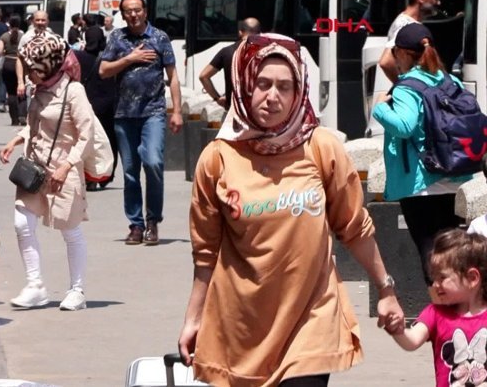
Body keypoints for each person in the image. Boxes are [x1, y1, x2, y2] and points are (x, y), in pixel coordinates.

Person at [178, 33, 404, 386]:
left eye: (285, 87)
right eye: (263, 84)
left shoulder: (321, 148)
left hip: (312, 322)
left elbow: (354, 228)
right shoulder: (218, 158)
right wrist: (193, 318)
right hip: (242, 324)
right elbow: (206, 252)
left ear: (299, 92)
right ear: (244, 85)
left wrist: (386, 290)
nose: (273, 96)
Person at [0, 31, 93, 311]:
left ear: (47, 66)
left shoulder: (73, 92)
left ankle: (77, 290)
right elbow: (36, 126)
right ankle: (35, 285)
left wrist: (67, 166)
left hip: (64, 171)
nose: (28, 74)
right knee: (21, 223)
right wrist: (17, 139)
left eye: (32, 69)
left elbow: (86, 136)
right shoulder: (39, 90)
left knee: (70, 231)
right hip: (35, 169)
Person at [372, 22, 470, 288]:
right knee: (451, 255)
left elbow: (404, 126)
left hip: (420, 184)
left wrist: (379, 108)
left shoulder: (407, 87)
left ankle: (443, 309)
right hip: (453, 175)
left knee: (431, 256)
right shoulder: (451, 81)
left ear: (403, 54)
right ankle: (459, 307)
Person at [99, 0, 183, 246]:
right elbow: (103, 71)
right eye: (128, 11)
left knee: (154, 162)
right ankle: (136, 225)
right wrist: (129, 59)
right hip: (124, 114)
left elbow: (173, 76)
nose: (133, 15)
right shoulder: (117, 37)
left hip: (153, 112)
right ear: (123, 14)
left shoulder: (159, 38)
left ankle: (153, 220)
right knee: (130, 172)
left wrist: (177, 111)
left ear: (145, 11)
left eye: (137, 10)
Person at [391, 228, 487, 387]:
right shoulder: (435, 313)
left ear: (472, 278)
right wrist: (398, 330)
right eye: (434, 277)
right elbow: (412, 341)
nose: (435, 284)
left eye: (442, 277)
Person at [74, 20, 118, 191]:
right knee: (109, 140)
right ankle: (106, 175)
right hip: (107, 105)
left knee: (86, 140)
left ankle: (88, 176)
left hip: (85, 104)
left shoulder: (77, 56)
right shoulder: (110, 58)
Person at [378, 0, 442, 83]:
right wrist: (403, 85)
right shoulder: (406, 25)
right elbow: (386, 62)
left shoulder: (409, 22)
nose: (438, 3)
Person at [198, 17, 260, 109]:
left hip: (233, 108)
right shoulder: (265, 52)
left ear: (240, 32)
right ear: (259, 34)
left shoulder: (226, 52)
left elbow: (203, 76)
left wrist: (217, 98)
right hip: (256, 108)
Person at [0, 14, 25, 126]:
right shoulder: (23, 36)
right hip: (20, 63)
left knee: (11, 92)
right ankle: (22, 114)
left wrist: (5, 52)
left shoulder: (4, 36)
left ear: (9, 24)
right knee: (21, 89)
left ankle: (14, 118)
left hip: (8, 63)